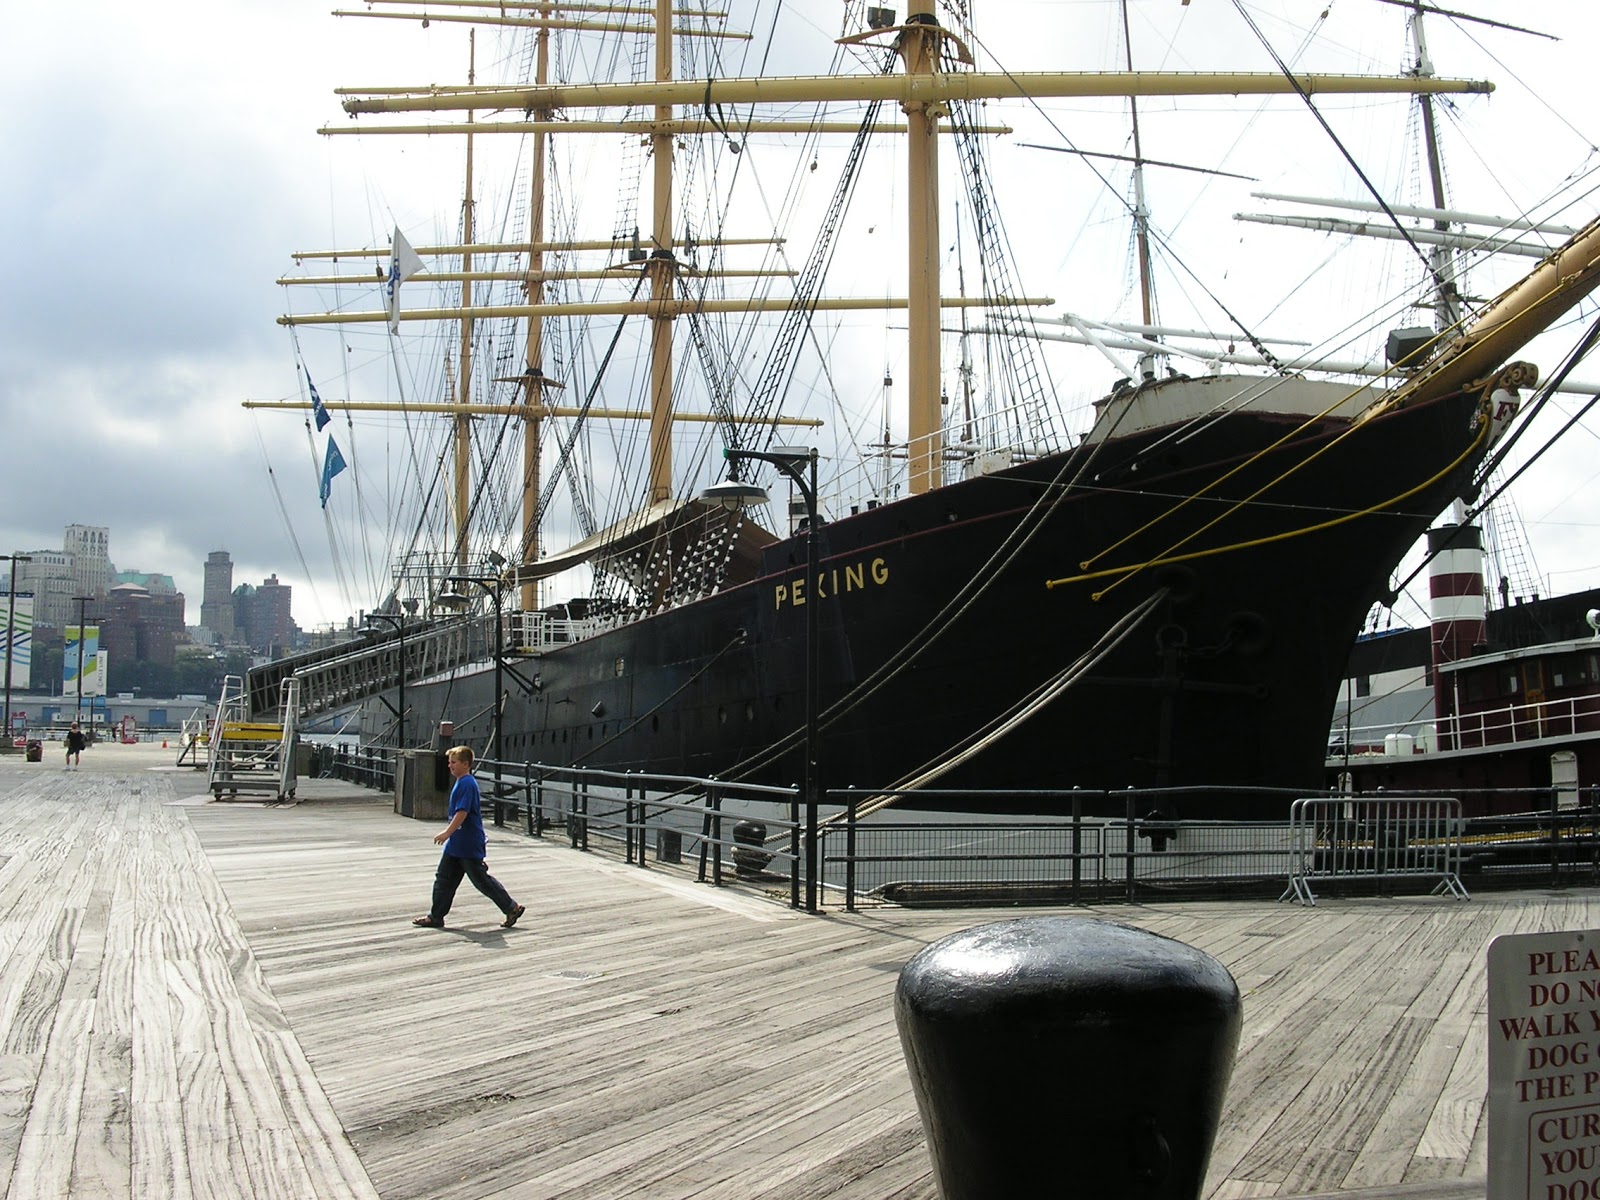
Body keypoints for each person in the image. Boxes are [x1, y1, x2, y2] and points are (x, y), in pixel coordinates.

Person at [413, 745, 525, 930]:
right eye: (449, 763)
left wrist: (447, 832)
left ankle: (511, 907)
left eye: (454, 763)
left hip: (467, 843)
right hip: (457, 844)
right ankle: (436, 916)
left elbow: (462, 812)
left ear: (466, 764)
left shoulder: (466, 783)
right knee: (444, 879)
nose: (450, 766)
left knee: (481, 880)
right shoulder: (462, 782)